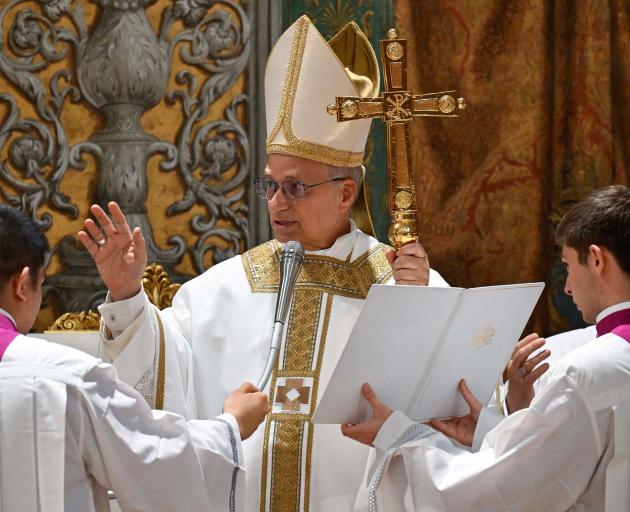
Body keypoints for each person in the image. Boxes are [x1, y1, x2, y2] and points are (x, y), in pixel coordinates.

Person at [78, 16, 448, 511]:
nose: (275, 203)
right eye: (269, 185)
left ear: (346, 193)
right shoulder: (225, 288)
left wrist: (421, 310)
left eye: (295, 187)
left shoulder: (407, 288)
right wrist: (126, 295)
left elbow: (453, 420)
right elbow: (159, 388)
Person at [343, 185, 630, 511]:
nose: (566, 285)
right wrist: (488, 432)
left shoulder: (587, 373)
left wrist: (402, 436)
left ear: (596, 259)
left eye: (568, 266)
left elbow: (502, 493)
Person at [0, 204, 270, 512]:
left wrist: (126, 293)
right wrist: (229, 427)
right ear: (23, 285)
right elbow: (154, 463)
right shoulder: (63, 379)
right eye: (42, 282)